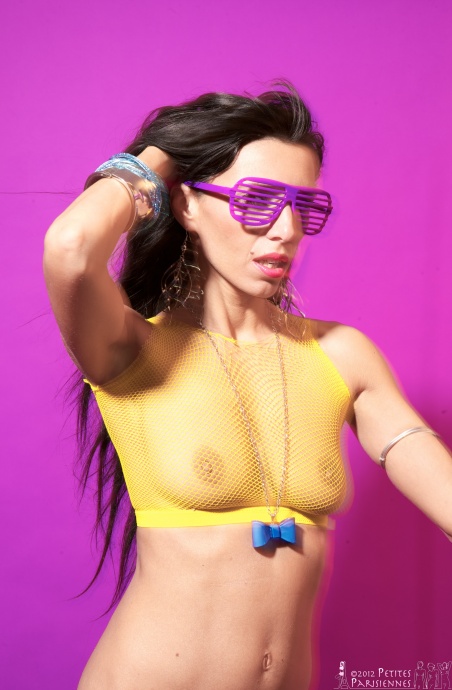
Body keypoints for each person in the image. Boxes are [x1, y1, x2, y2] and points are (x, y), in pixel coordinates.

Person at [43, 83, 452, 690]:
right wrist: (162, 156)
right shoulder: (131, 349)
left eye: (303, 205)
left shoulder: (342, 355)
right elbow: (70, 248)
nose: (286, 229)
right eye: (256, 200)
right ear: (186, 205)